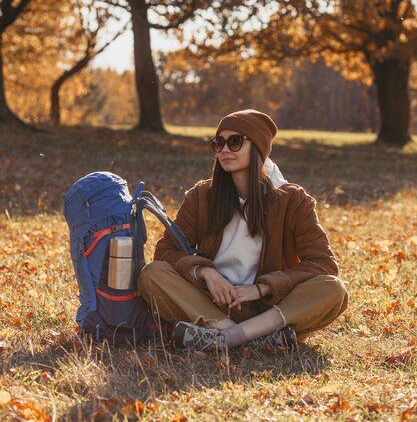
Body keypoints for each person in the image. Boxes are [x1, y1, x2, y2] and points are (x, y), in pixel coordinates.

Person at [138, 109, 348, 352]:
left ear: (257, 147)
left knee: (334, 289)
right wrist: (206, 273)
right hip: (211, 304)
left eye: (235, 142)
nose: (225, 150)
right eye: (219, 143)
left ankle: (227, 338)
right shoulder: (201, 196)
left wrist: (262, 288)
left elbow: (323, 264)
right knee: (152, 274)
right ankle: (249, 338)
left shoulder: (293, 200)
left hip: (269, 308)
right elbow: (166, 252)